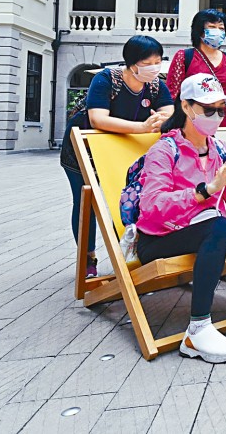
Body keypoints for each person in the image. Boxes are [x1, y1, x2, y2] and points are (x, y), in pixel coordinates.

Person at [138, 73, 226, 363]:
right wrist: (205, 191)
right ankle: (197, 330)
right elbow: (151, 206)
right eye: (208, 109)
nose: (216, 116)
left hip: (210, 233)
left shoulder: (222, 150)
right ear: (186, 107)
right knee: (218, 224)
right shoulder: (164, 150)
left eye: (221, 109)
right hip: (161, 239)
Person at [60, 35, 174, 278]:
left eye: (158, 61)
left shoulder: (155, 83)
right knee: (85, 203)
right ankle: (87, 258)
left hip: (123, 149)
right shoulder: (106, 79)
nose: (155, 67)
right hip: (85, 150)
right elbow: (98, 119)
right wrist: (143, 127)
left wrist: (162, 119)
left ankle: (134, 256)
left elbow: (168, 110)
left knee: (125, 200)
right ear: (132, 64)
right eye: (148, 63)